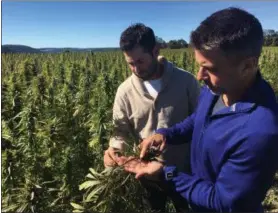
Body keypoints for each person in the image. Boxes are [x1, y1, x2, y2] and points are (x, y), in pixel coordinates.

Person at [124, 7, 278, 212]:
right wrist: (166, 135)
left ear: (247, 66)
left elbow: (223, 201)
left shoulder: (259, 132)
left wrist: (167, 174)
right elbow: (199, 119)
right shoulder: (217, 88)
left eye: (211, 68)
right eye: (200, 65)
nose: (199, 76)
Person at [103, 23, 200, 212]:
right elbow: (120, 130)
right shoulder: (124, 91)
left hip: (183, 172)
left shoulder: (186, 81)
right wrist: (114, 149)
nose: (135, 69)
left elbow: (200, 119)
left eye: (140, 61)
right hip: (146, 174)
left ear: (155, 51)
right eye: (130, 63)